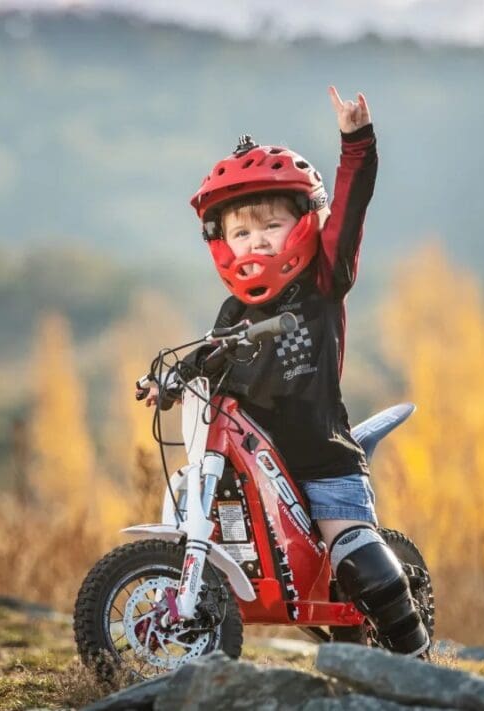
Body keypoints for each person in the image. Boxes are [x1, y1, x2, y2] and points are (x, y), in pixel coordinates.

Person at [140, 86, 429, 657]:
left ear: (302, 224)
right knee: (184, 503)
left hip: (319, 458)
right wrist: (165, 380)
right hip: (246, 459)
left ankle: (413, 648)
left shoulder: (323, 280)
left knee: (353, 553)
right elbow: (206, 353)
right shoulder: (235, 310)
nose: (255, 241)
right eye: (240, 232)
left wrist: (356, 145)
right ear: (220, 243)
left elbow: (350, 210)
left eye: (268, 226)